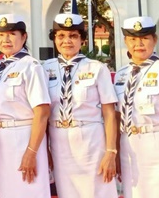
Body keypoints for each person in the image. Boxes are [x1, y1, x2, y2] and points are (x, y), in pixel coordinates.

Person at [42, 13, 118, 198]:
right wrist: (46, 150)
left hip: (91, 141)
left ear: (82, 40)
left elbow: (109, 113)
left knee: (97, 191)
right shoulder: (44, 69)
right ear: (54, 39)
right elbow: (42, 113)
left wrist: (110, 151)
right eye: (61, 36)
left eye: (73, 36)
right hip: (60, 142)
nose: (67, 41)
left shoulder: (96, 68)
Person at [114, 16, 159, 197]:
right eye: (133, 39)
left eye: (145, 38)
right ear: (125, 41)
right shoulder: (121, 75)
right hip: (129, 147)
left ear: (154, 40)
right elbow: (117, 118)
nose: (138, 44)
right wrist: (116, 152)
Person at [0, 13, 50, 197]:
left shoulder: (30, 66)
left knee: (30, 189)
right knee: (8, 192)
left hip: (24, 137)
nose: (6, 39)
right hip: (1, 138)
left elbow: (42, 112)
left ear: (24, 37)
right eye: (0, 35)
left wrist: (31, 152)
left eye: (12, 34)